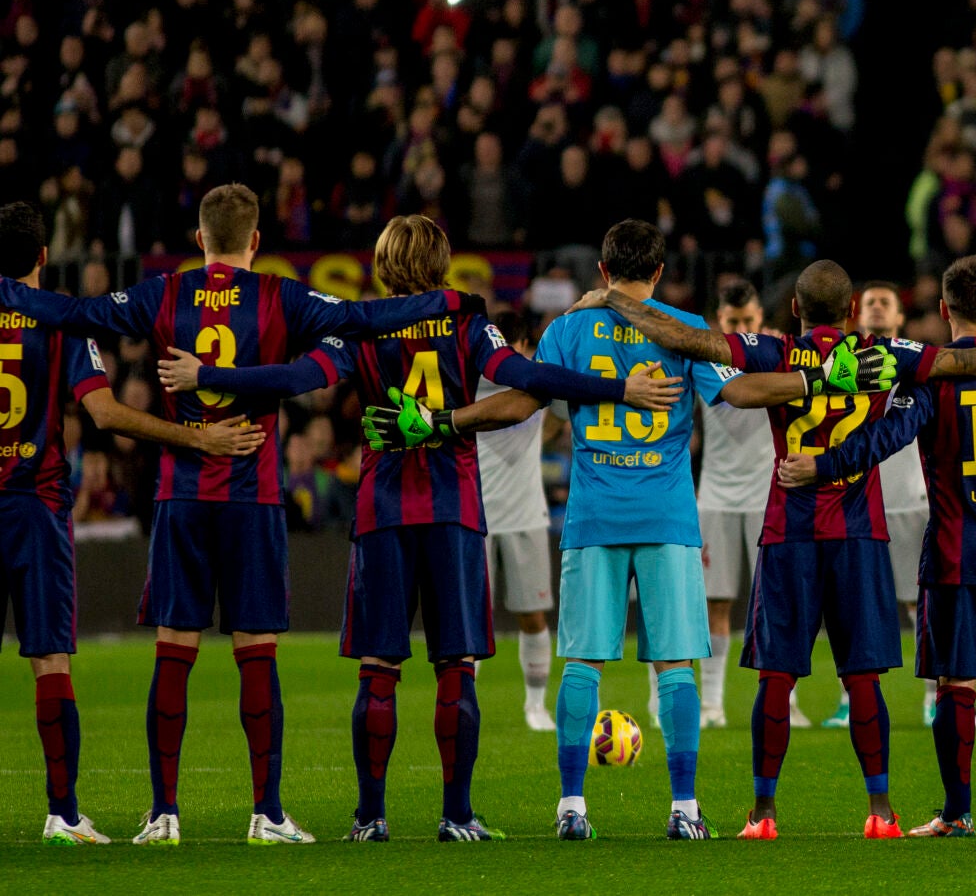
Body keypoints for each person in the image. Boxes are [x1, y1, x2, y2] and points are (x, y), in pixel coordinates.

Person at [155, 215, 663, 842]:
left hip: (383, 509)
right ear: (441, 263)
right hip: (452, 507)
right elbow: (528, 379)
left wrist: (208, 376)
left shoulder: (359, 328)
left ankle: (371, 816)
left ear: (384, 262)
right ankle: (456, 815)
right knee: (456, 666)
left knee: (377, 669)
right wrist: (619, 388)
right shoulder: (466, 322)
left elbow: (292, 380)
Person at [0, 184, 477, 847]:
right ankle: (268, 813)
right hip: (251, 497)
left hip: (181, 494)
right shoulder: (282, 295)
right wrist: (446, 302)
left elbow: (78, 311)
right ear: (256, 241)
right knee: (257, 653)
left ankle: (163, 813)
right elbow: (363, 321)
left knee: (174, 652)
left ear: (199, 239)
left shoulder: (162, 292)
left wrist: (12, 294)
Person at [394, 224, 892, 841]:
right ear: (658, 273)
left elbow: (521, 402)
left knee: (582, 664)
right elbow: (738, 393)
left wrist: (443, 422)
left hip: (593, 516)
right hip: (667, 515)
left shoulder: (570, 328)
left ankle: (571, 806)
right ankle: (684, 809)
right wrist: (821, 380)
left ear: (603, 270)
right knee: (675, 665)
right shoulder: (681, 330)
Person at [573, 258, 976, 840]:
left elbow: (691, 341)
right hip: (860, 534)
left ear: (794, 309)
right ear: (852, 312)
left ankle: (763, 814)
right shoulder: (884, 352)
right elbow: (967, 359)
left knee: (775, 678)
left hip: (790, 530)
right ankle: (880, 812)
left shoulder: (777, 353)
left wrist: (614, 300)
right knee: (864, 679)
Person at [778, 255, 976, 838]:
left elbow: (882, 438)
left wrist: (823, 464)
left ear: (943, 311)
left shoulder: (931, 377)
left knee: (955, 685)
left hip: (953, 550)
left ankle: (957, 812)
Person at [0, 202, 265, 846]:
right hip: (34, 504)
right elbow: (108, 415)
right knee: (50, 661)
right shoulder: (60, 323)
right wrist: (194, 438)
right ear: (42, 257)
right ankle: (62, 814)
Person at [695, 282, 809, 729]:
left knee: (781, 604)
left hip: (770, 494)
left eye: (748, 322)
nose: (741, 328)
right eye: (732, 322)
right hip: (717, 497)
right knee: (716, 604)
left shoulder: (780, 354)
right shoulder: (705, 358)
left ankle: (790, 703)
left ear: (759, 318)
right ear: (718, 323)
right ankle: (712, 704)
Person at [843, 279, 932, 727]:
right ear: (857, 313)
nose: (877, 307)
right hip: (860, 500)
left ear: (900, 317)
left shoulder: (914, 361)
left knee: (920, 606)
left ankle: (933, 695)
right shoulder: (841, 362)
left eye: (886, 302)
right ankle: (849, 700)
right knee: (853, 606)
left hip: (910, 499)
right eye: (871, 302)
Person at [474, 310, 558, 732]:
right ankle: (465, 703)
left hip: (524, 511)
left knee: (533, 615)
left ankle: (536, 705)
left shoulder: (537, 380)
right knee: (470, 618)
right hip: (476, 515)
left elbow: (563, 410)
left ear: (524, 347)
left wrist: (539, 441)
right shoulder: (471, 381)